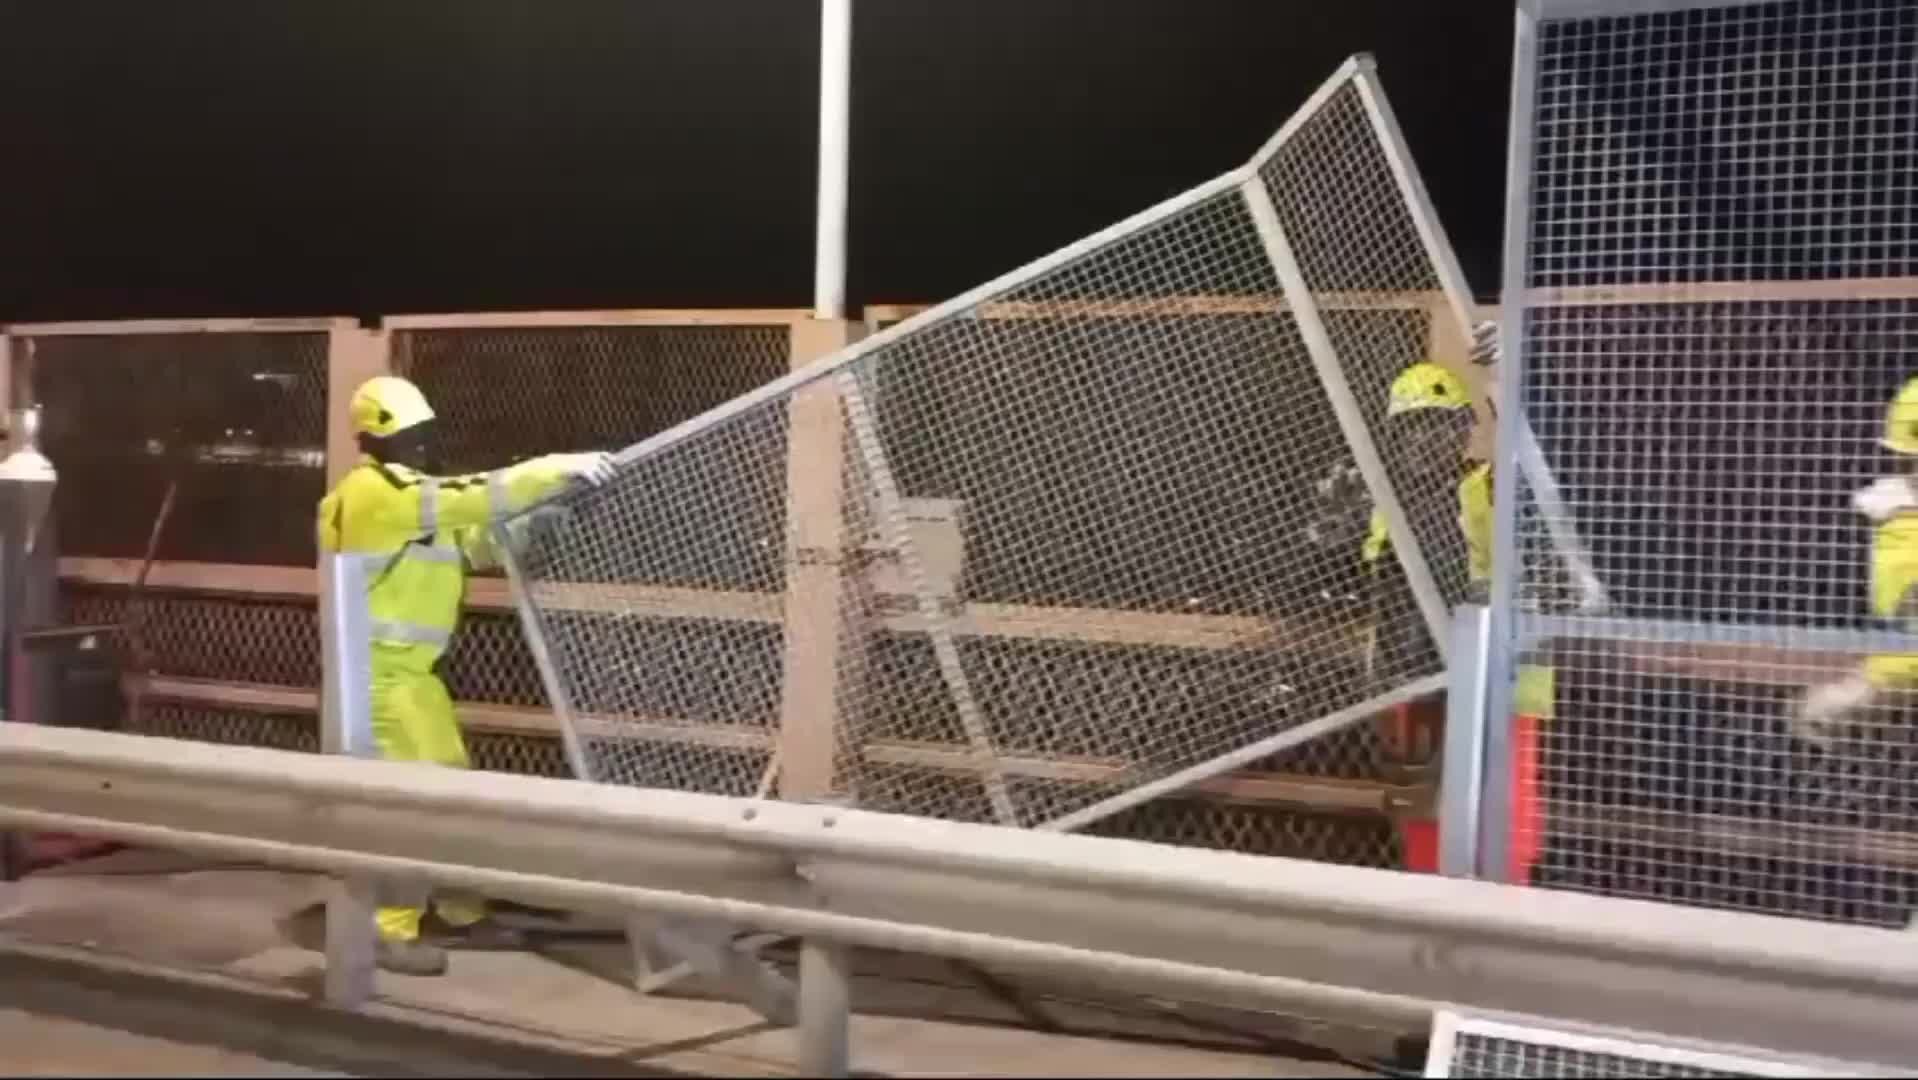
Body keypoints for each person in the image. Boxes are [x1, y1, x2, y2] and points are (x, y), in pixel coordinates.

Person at [317, 374, 615, 976]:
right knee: (411, 807)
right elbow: (473, 496)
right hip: (375, 681)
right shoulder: (375, 495)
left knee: (450, 792)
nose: (422, 445)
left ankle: (460, 909)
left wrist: (539, 518)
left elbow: (476, 541)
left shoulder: (413, 497)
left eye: (425, 434)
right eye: (411, 435)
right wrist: (551, 469)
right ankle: (385, 929)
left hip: (412, 678)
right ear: (376, 439)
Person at [1795, 376, 1918, 747]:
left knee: (1892, 674)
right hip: (1906, 585)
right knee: (1892, 671)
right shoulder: (1892, 501)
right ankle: (1808, 722)